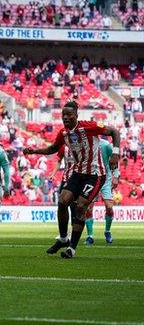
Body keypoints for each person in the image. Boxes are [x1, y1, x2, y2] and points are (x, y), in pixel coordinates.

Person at [23, 101, 120, 259]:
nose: (65, 117)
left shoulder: (90, 126)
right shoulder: (63, 133)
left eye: (69, 114)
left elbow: (114, 132)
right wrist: (35, 151)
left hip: (95, 174)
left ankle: (72, 249)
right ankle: (63, 238)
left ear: (76, 114)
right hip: (78, 172)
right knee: (62, 201)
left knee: (81, 207)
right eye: (63, 115)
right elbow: (54, 148)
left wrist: (115, 153)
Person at [84, 138, 119, 245]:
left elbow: (115, 159)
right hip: (91, 178)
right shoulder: (85, 144)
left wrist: (116, 176)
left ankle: (107, 231)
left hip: (105, 179)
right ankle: (90, 236)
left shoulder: (106, 145)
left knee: (109, 207)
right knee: (88, 208)